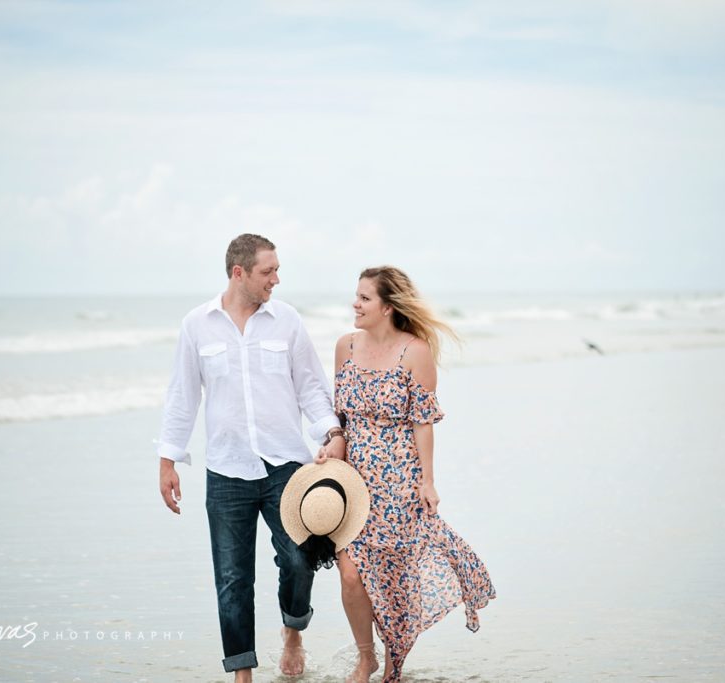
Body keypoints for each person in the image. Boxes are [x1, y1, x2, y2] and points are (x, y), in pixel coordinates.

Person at [157, 233, 346, 682]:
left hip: (286, 466)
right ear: (238, 273)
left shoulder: (288, 321)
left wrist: (333, 431)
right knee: (232, 579)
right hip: (226, 470)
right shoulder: (196, 325)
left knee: (300, 560)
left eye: (277, 270)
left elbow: (312, 389)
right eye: (268, 271)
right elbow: (183, 397)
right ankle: (242, 673)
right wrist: (168, 460)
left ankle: (293, 630)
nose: (276, 280)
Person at [315, 266, 496, 682]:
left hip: (399, 483)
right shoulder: (345, 346)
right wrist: (333, 442)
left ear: (388, 307)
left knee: (394, 582)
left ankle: (395, 661)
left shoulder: (415, 351)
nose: (354, 305)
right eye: (355, 296)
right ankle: (367, 655)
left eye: (364, 298)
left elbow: (423, 422)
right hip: (353, 483)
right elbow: (340, 412)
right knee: (350, 576)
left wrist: (427, 481)